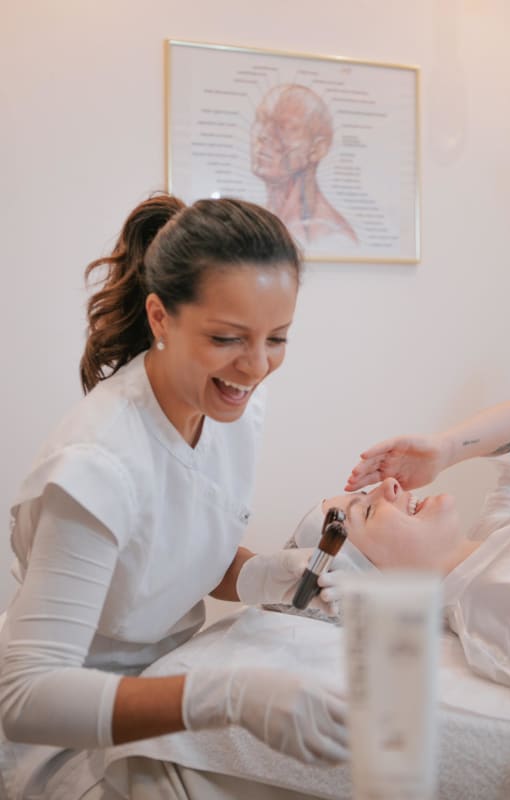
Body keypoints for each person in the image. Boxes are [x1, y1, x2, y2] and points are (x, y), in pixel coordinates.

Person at [0, 194, 349, 800]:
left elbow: (172, 548)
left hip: (169, 687)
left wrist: (261, 575)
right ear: (160, 318)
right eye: (228, 337)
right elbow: (27, 697)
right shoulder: (96, 465)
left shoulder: (230, 402)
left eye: (278, 338)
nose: (257, 365)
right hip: (71, 735)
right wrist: (227, 697)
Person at [275, 395, 510, 696]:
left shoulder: (500, 526)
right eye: (368, 511)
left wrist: (445, 449)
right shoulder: (502, 610)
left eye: (369, 491)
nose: (390, 485)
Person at [250, 84, 358, 249]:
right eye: (261, 119)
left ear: (317, 149)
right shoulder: (261, 224)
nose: (264, 134)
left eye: (284, 127)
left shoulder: (333, 236)